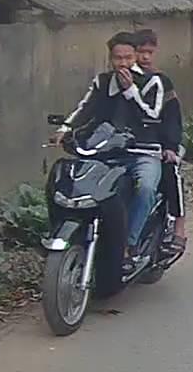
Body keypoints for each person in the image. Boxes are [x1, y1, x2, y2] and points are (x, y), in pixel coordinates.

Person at [53, 32, 165, 272]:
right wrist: (65, 129)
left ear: (135, 57)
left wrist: (130, 90)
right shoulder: (102, 82)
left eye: (127, 58)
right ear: (110, 59)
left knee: (146, 188)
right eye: (117, 58)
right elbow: (85, 108)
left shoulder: (152, 82)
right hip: (106, 152)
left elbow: (152, 116)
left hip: (143, 153)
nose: (122, 63)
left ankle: (128, 245)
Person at [134, 29, 187, 258]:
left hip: (159, 143)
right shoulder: (120, 80)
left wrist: (170, 146)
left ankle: (179, 227)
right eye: (140, 52)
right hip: (128, 144)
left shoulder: (162, 81)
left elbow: (172, 117)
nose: (145, 57)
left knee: (170, 171)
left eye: (149, 52)